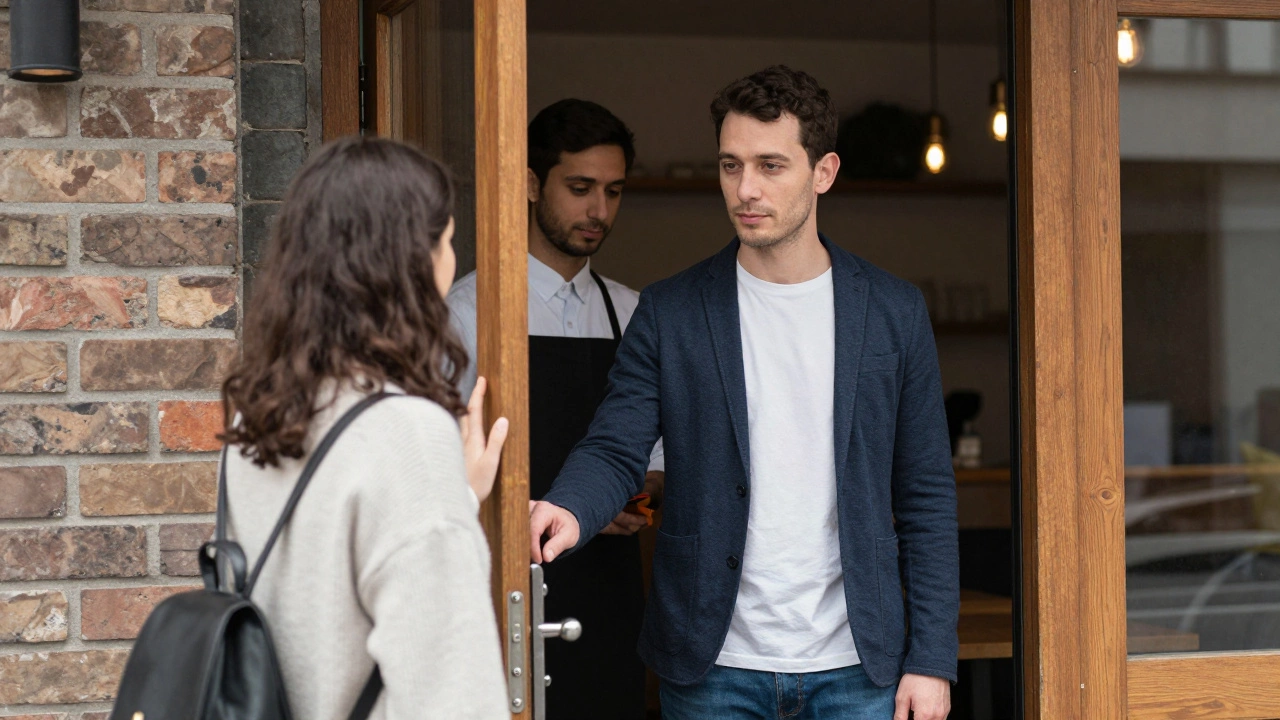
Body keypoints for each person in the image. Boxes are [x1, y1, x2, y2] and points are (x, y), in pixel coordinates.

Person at [529, 66, 959, 720]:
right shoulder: (671, 311)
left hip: (857, 669)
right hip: (714, 670)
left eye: (770, 166)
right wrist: (569, 506)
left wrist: (931, 659)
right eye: (731, 166)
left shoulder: (893, 313)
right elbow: (616, 446)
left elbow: (925, 491)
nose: (745, 190)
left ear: (825, 171)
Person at [219, 137, 511, 720]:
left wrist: (455, 495)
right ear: (412, 263)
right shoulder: (407, 433)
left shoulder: (259, 411)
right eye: (449, 242)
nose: (452, 260)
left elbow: (319, 598)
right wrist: (442, 484)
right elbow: (454, 693)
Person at [448, 98, 660, 720]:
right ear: (533, 185)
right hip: (505, 586)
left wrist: (627, 496)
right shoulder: (470, 312)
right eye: (580, 188)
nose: (598, 211)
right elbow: (442, 468)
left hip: (613, 592)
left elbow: (658, 456)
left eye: (614, 191)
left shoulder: (634, 311)